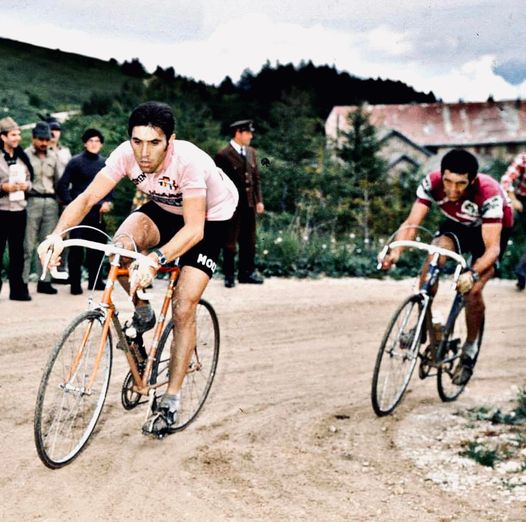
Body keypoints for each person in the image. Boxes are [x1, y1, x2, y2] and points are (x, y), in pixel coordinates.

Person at [38, 101, 238, 436]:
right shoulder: (124, 155)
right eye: (137, 141)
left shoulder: (189, 162)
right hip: (163, 207)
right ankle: (142, 310)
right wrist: (56, 235)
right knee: (121, 248)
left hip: (207, 220)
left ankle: (171, 400)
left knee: (183, 306)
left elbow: (194, 230)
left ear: (170, 141)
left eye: (154, 143)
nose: (144, 153)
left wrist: (156, 259)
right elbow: (87, 199)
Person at [380, 149, 513, 386]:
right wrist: (396, 251)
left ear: (472, 180)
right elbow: (412, 222)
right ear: (441, 175)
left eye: (460, 184)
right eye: (448, 182)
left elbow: (492, 249)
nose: (452, 190)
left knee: (472, 292)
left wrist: (472, 274)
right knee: (434, 257)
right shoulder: (432, 183)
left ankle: (470, 350)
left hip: (490, 232)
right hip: (457, 225)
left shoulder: (488, 194)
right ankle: (422, 325)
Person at [57, 128, 112, 294]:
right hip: (80, 213)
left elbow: (111, 186)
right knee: (77, 249)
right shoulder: (76, 161)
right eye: (90, 141)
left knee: (97, 248)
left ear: (101, 144)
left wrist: (108, 202)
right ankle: (75, 283)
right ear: (85, 143)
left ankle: (95, 281)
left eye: (97, 141)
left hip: (98, 213)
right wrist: (69, 203)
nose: (94, 144)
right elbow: (62, 185)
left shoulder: (105, 163)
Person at [214, 119, 264, 288]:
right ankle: (229, 275)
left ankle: (246, 273)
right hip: (231, 205)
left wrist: (259, 200)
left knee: (249, 240)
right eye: (248, 133)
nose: (251, 136)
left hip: (249, 204)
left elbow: (256, 179)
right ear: (238, 133)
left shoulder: (251, 152)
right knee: (229, 240)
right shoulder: (223, 155)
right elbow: (218, 182)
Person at [24, 121, 62, 295]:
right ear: (33, 138)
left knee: (48, 244)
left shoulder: (53, 157)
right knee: (28, 243)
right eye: (40, 139)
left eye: (47, 139)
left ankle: (44, 281)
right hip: (32, 201)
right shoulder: (25, 155)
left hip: (50, 203)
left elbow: (58, 181)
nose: (44, 143)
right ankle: (23, 281)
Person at [0, 116, 33, 301]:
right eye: (13, 134)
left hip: (19, 211)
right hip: (1, 210)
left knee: (17, 251)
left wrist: (25, 186)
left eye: (18, 134)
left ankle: (17, 290)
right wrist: (3, 188)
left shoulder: (22, 157)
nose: (17, 138)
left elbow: (30, 179)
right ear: (3, 137)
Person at [501, 151, 526, 290]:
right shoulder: (523, 158)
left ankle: (522, 273)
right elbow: (506, 179)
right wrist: (514, 199)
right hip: (523, 201)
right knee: (505, 231)